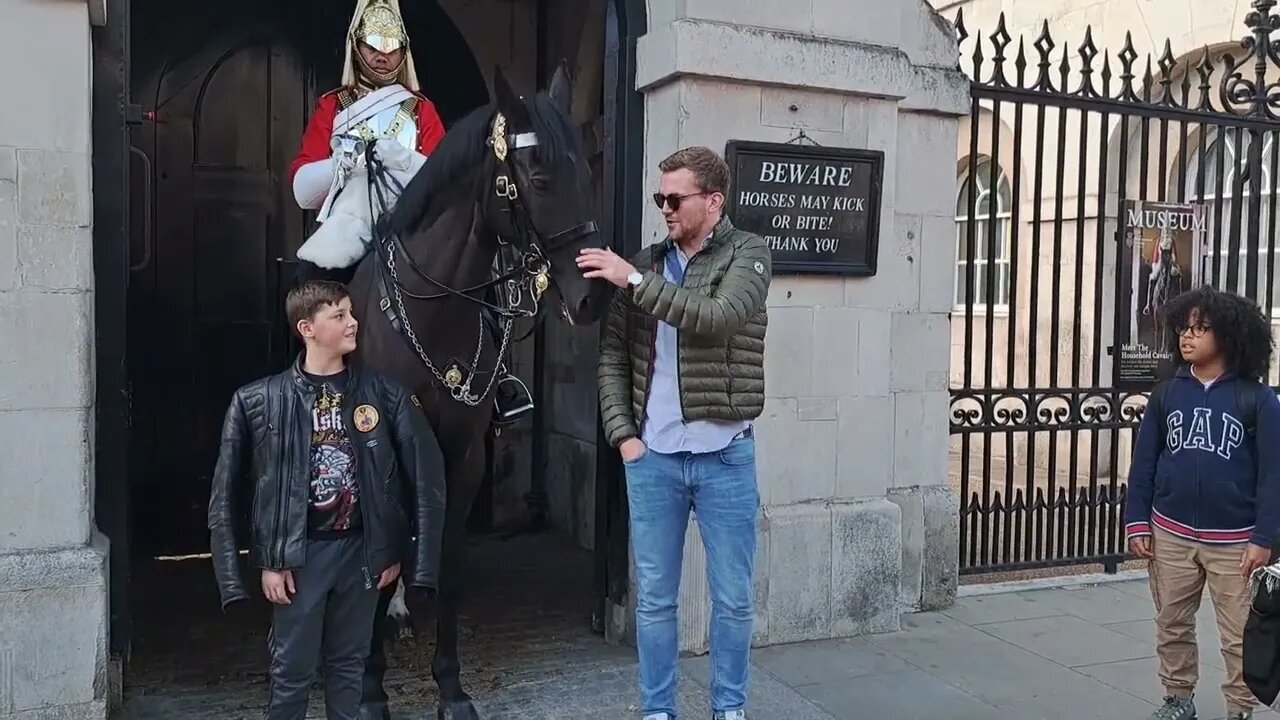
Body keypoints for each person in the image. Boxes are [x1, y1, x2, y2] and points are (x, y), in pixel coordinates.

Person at [580, 146, 771, 720]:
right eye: (659, 197)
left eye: (674, 198)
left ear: (713, 202)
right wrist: (624, 438)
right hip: (654, 460)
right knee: (656, 601)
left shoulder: (749, 254)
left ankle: (728, 710)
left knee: (733, 600)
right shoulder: (647, 261)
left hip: (725, 459)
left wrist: (633, 278)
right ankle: (658, 710)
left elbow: (716, 318)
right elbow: (612, 355)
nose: (663, 207)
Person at [206, 280, 447, 720]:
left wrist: (405, 559)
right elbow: (224, 497)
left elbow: (426, 482)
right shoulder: (258, 401)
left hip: (362, 555)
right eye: (339, 316)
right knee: (291, 672)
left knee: (351, 669)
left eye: (352, 312)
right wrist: (260, 566)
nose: (353, 323)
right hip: (298, 560)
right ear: (307, 328)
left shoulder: (386, 396)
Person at [286, 0, 532, 425]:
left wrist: (401, 159)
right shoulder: (334, 106)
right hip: (353, 220)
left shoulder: (421, 110)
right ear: (356, 47)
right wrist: (340, 163)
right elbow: (302, 186)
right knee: (308, 281)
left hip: (414, 220)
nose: (383, 55)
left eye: (393, 46)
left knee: (478, 279)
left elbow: (444, 176)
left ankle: (500, 383)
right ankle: (310, 385)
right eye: (374, 45)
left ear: (404, 51)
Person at [1126, 285, 1280, 720]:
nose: (1187, 336)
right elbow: (1144, 465)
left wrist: (1263, 537)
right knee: (1171, 623)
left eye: (1201, 328)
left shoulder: (1259, 401)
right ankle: (1178, 698)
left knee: (1238, 635)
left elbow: (1274, 477)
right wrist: (1137, 521)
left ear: (1230, 336)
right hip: (1170, 533)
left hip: (1236, 543)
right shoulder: (1167, 395)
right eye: (1184, 328)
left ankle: (1240, 709)